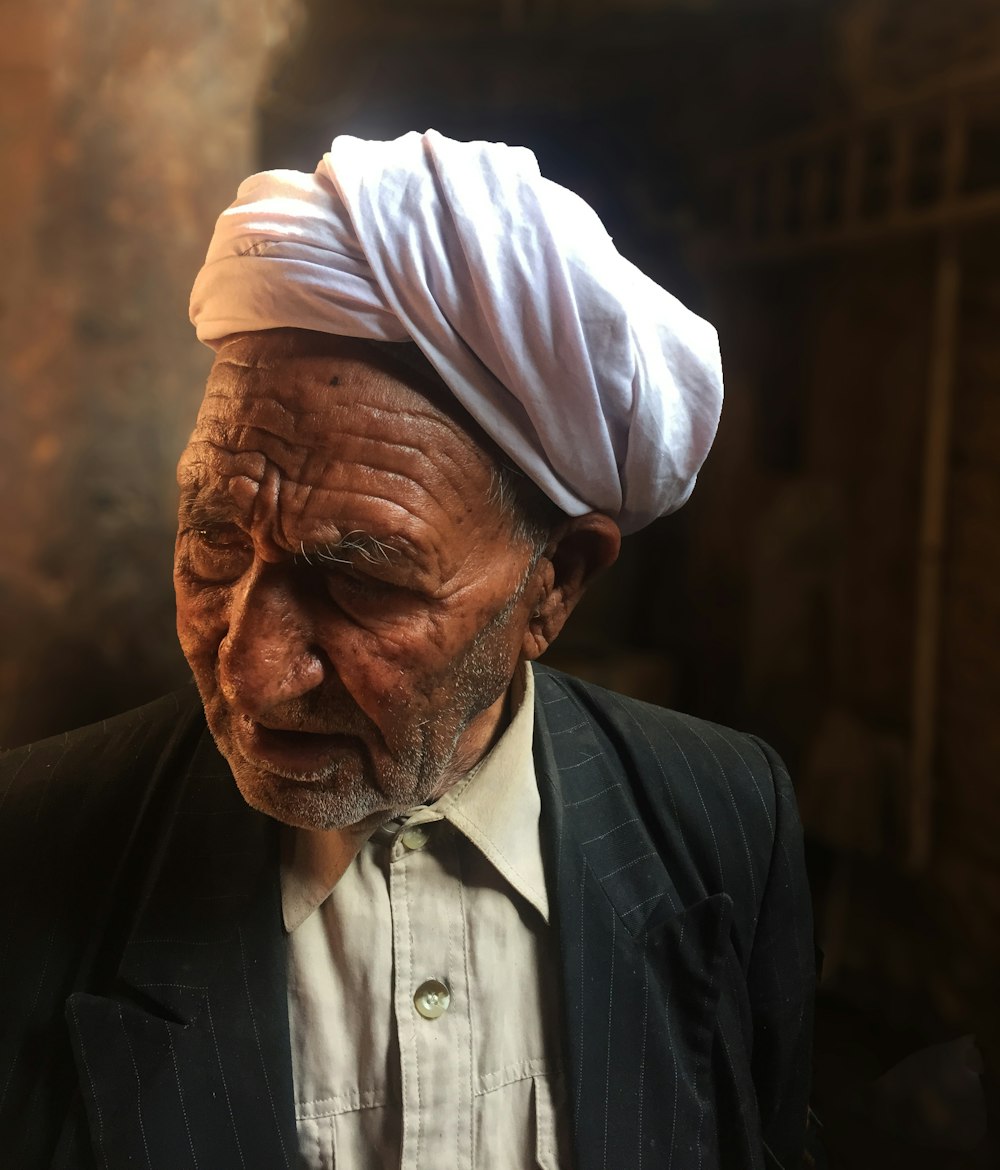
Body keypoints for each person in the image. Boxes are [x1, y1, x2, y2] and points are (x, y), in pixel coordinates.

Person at [0, 130, 815, 1170]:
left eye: (361, 581)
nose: (252, 671)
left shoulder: (726, 817)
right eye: (213, 542)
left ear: (554, 583)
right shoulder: (27, 849)